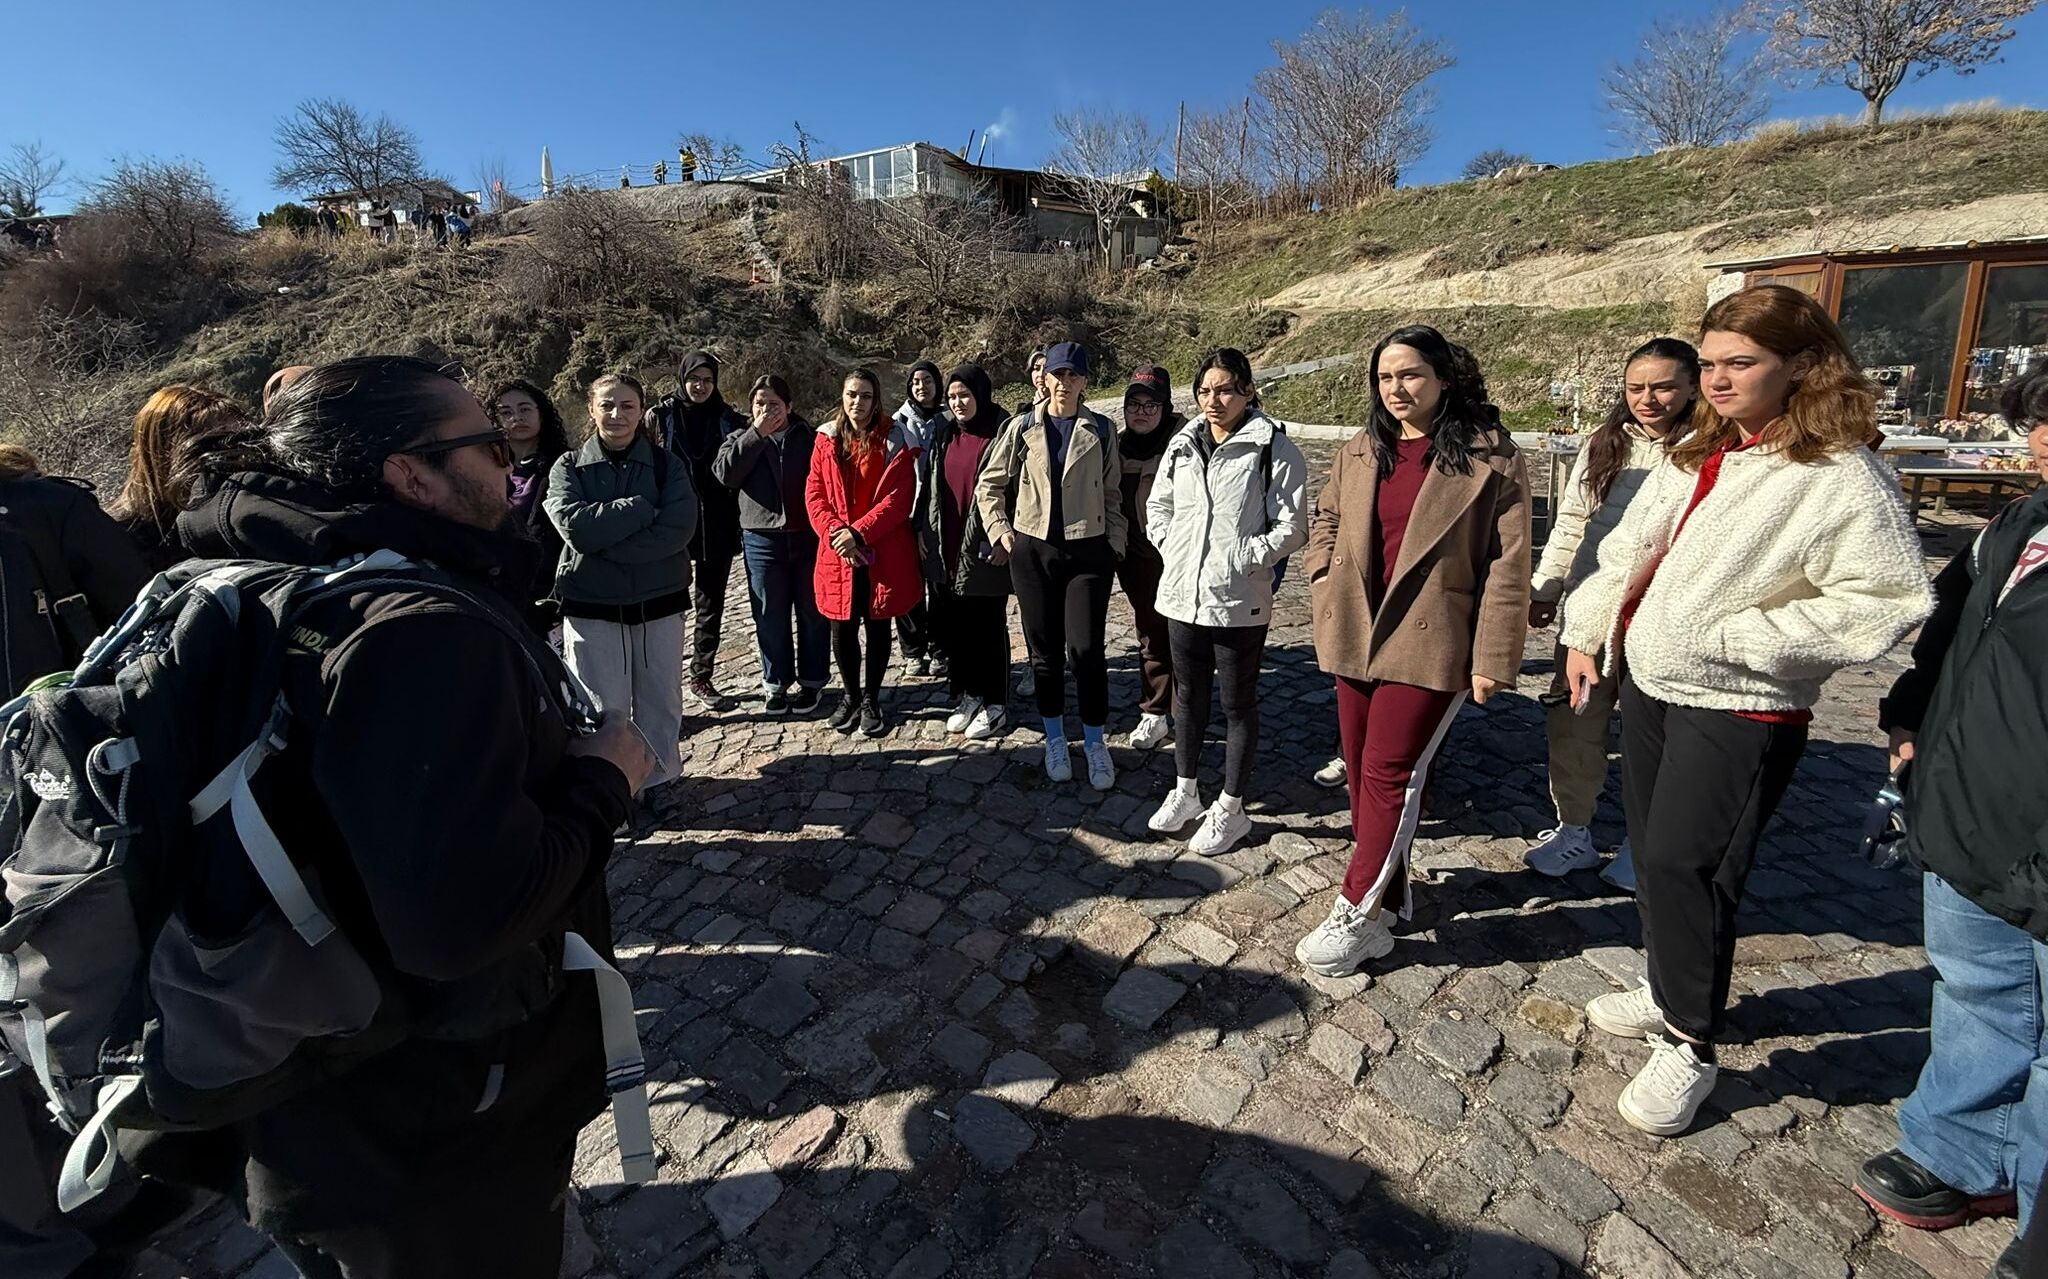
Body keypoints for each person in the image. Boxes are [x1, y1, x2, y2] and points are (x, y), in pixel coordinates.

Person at [164, 355, 655, 1278]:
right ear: (409, 472)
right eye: (485, 441)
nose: (511, 462)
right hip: (434, 1124)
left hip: (314, 1095)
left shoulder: (255, 565)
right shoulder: (415, 632)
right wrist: (604, 782)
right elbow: (464, 921)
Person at [1561, 284, 1933, 1137]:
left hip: (1742, 702)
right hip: (1655, 683)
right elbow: (1629, 548)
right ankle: (1667, 987)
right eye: (1713, 364)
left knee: (1693, 865)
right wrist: (1587, 626)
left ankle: (1691, 1041)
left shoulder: (1842, 474)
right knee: (1655, 855)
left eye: (1741, 364)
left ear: (1802, 364)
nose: (1719, 381)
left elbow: (1885, 598)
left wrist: (1738, 635)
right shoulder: (1703, 450)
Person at [1855, 366, 2048, 1272]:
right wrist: (1908, 712)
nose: (2039, 440)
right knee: (1977, 990)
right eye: (2036, 421)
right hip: (1971, 811)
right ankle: (1965, 1152)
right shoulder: (2019, 524)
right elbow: (1951, 628)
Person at [1294, 326, 1532, 977]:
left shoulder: (1493, 458)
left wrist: (1492, 657)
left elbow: (1508, 566)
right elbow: (1327, 516)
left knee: (1392, 775)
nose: (1397, 388)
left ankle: (1356, 908)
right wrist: (1322, 573)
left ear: (1445, 378)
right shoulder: (1362, 449)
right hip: (1355, 630)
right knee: (1362, 766)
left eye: (1411, 374)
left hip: (1433, 639)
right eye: (1386, 376)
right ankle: (1391, 898)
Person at [1524, 338, 1701, 890]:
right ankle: (1573, 829)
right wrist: (1547, 587)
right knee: (1574, 720)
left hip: (1665, 612)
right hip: (1591, 608)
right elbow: (1573, 520)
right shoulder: (1608, 442)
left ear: (1693, 386)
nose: (1648, 399)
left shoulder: (1710, 446)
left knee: (1656, 735)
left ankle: (1641, 840)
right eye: (1636, 388)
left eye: (1663, 386)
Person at [1144, 349, 1308, 855]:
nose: (1214, 401)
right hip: (1181, 595)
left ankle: (1231, 807)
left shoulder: (1272, 449)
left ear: (1248, 392)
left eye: (1226, 390)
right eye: (1206, 390)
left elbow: (1292, 525)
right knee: (1187, 698)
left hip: (1237, 598)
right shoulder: (1183, 443)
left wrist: (1245, 557)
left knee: (1237, 703)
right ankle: (1186, 790)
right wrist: (1169, 542)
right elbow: (1159, 503)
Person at [975, 341, 1126, 788]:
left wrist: (1114, 544)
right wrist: (1003, 532)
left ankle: (1095, 742)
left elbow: (1113, 491)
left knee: (1086, 651)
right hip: (1033, 550)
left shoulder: (1100, 429)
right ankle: (1055, 736)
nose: (1063, 383)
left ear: (1084, 381)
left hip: (1087, 550)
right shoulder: (1022, 427)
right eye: (1057, 375)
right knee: (1043, 653)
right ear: (1045, 378)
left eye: (1073, 376)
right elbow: (990, 483)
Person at [547, 372, 698, 814]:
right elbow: (576, 529)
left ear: (641, 411)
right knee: (601, 703)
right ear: (591, 410)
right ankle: (613, 788)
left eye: (627, 406)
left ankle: (660, 778)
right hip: (591, 604)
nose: (617, 415)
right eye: (607, 405)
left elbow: (677, 530)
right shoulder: (568, 467)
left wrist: (606, 541)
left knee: (660, 696)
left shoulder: (669, 466)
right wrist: (636, 509)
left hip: (660, 600)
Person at [806, 367, 920, 737]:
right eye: (852, 394)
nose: (858, 402)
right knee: (842, 628)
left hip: (879, 548)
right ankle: (851, 696)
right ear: (842, 397)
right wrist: (836, 532)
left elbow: (899, 498)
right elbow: (815, 493)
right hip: (838, 551)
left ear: (876, 400)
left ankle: (872, 698)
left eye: (866, 396)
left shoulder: (893, 439)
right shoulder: (825, 439)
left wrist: (859, 532)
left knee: (877, 625)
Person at [714, 374, 828, 713]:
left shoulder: (810, 439)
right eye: (760, 404)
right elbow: (725, 475)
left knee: (812, 611)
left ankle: (813, 682)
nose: (767, 410)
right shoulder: (739, 438)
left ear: (790, 407)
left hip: (808, 537)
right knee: (769, 613)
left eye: (774, 404)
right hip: (761, 539)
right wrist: (757, 435)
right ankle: (775, 684)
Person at [0, 444, 151, 699]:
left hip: (71, 711)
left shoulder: (51, 507)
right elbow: (143, 604)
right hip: (76, 713)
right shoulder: (53, 504)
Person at [647, 351, 746, 710]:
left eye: (707, 379)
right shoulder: (660, 417)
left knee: (711, 605)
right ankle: (662, 680)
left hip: (717, 525)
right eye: (694, 379)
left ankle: (701, 675)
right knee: (668, 605)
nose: (700, 386)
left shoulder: (729, 418)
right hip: (673, 525)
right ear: (682, 379)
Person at [923, 364, 1012, 740]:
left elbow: (1017, 489)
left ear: (981, 394)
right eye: (953, 396)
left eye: (965, 395)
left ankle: (996, 703)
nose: (959, 403)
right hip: (950, 542)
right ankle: (968, 694)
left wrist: (1001, 535)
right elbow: (931, 487)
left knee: (988, 624)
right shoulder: (945, 432)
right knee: (958, 626)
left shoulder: (1003, 431)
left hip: (985, 544)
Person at [106, 384, 252, 570]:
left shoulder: (243, 507)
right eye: (212, 446)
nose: (235, 458)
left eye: (243, 442)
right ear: (164, 454)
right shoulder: (121, 539)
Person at [1114, 365, 1183, 751]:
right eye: (1133, 404)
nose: (1142, 412)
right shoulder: (1116, 445)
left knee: (1187, 636)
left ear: (1165, 406)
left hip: (1179, 554)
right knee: (1151, 632)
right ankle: (1156, 711)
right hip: (1135, 557)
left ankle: (1187, 710)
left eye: (1151, 404)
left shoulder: (1186, 442)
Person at [489, 378, 573, 631]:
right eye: (506, 412)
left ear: (541, 413)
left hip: (551, 588)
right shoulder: (485, 468)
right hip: (497, 588)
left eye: (525, 409)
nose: (517, 417)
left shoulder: (566, 464)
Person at [891, 359, 947, 678]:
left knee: (939, 586)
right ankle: (914, 651)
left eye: (927, 380)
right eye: (915, 382)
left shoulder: (948, 419)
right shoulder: (897, 423)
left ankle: (940, 649)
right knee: (908, 585)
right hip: (906, 513)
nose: (921, 387)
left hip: (937, 514)